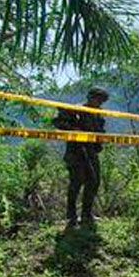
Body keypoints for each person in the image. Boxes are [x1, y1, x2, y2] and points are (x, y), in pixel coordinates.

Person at [54, 87, 109, 229]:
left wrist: (99, 139)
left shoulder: (98, 114)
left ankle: (86, 214)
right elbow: (59, 123)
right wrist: (74, 130)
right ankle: (71, 216)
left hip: (91, 152)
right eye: (97, 99)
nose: (99, 103)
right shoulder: (76, 110)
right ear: (90, 97)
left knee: (94, 181)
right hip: (75, 152)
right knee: (76, 182)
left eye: (101, 101)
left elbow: (100, 131)